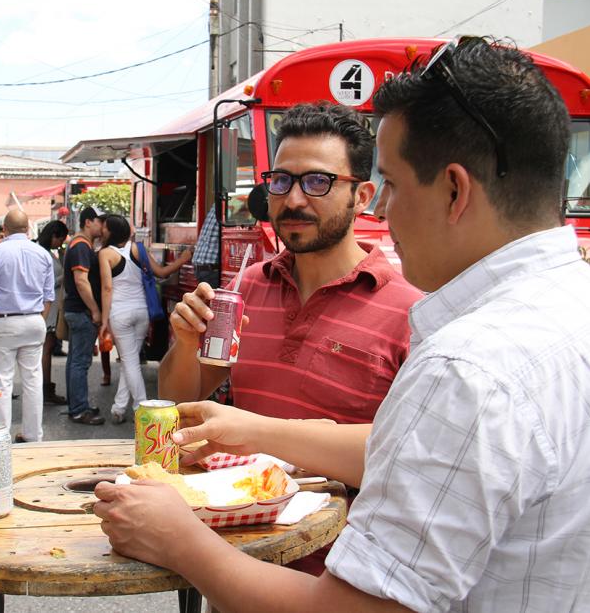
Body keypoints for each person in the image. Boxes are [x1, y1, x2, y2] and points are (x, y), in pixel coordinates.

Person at [94, 38, 590, 612]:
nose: (386, 211)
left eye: (393, 185)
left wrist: (179, 540)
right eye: (280, 182)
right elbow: (189, 401)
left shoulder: (463, 364)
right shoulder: (566, 306)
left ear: (452, 190)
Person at [160, 101, 421, 574]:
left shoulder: (410, 312)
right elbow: (180, 406)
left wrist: (256, 431)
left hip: (340, 578)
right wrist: (184, 342)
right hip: (233, 558)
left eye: (318, 182)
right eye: (280, 181)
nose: (294, 200)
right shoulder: (246, 287)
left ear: (362, 196)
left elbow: (410, 455)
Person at [98, 214, 191, 423]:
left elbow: (107, 288)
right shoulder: (138, 249)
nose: (102, 230)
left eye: (105, 227)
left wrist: (104, 321)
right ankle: (118, 408)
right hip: (142, 312)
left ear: (111, 231)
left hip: (120, 314)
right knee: (130, 360)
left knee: (129, 361)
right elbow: (161, 272)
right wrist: (183, 260)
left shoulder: (105, 254)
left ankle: (142, 409)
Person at [0, 210, 55, 443]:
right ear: (28, 229)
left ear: (4, 229)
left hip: (3, 321)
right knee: (33, 380)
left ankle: (0, 437)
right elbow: (48, 296)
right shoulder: (43, 254)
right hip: (34, 320)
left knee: (1, 381)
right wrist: (39, 319)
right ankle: (33, 435)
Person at [63, 206, 106, 425]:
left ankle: (77, 406)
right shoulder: (81, 246)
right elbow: (81, 281)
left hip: (77, 310)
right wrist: (95, 310)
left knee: (75, 361)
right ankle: (79, 410)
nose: (102, 226)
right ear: (88, 222)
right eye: (99, 221)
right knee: (80, 362)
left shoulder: (81, 244)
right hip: (81, 312)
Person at [36, 220, 69, 405]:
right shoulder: (42, 254)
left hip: (51, 307)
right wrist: (64, 276)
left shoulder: (49, 253)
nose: (61, 243)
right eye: (61, 239)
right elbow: (44, 282)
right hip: (46, 308)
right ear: (53, 236)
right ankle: (45, 388)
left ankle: (45, 387)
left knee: (46, 348)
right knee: (46, 349)